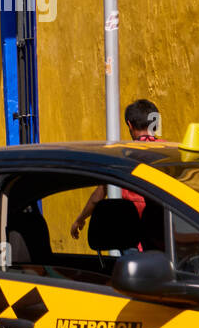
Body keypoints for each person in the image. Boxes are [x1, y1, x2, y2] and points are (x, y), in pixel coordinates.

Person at [70, 98, 165, 238]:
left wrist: (80, 219)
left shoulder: (122, 156)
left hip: (134, 235)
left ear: (130, 125)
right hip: (167, 235)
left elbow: (99, 195)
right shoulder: (169, 151)